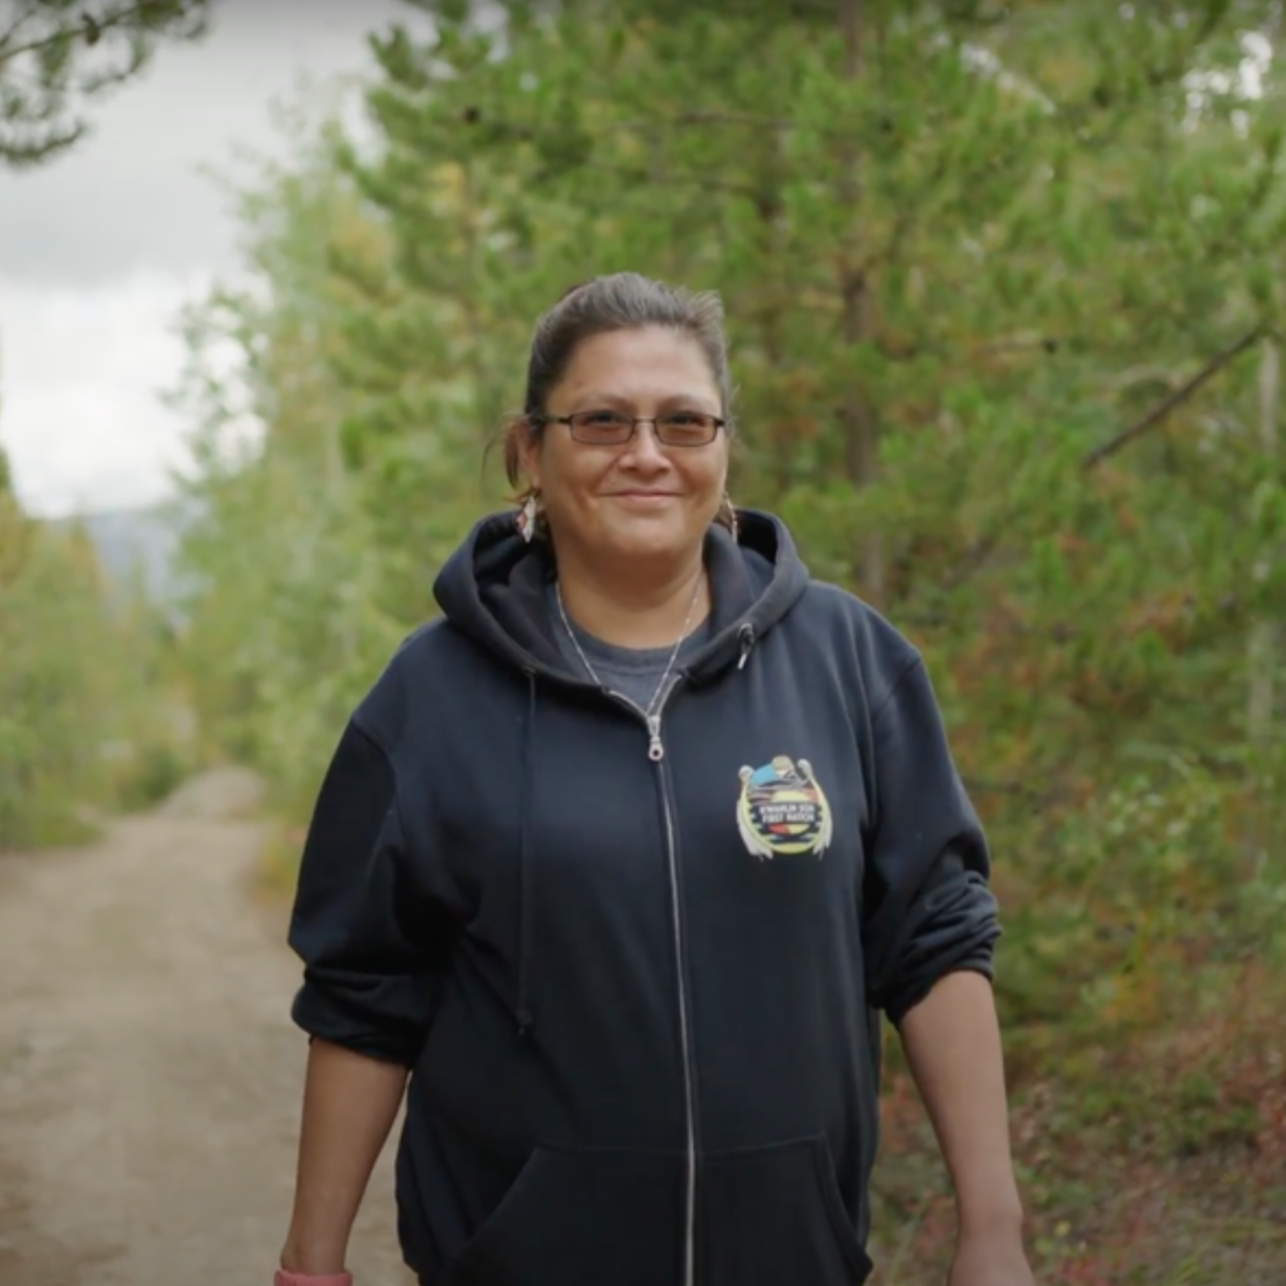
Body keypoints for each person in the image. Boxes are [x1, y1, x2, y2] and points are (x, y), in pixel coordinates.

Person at [275, 272, 1035, 1286]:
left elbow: (934, 940)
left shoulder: (852, 664)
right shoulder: (428, 697)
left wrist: (992, 1228)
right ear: (527, 454)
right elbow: (365, 993)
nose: (645, 453)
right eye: (600, 421)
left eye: (683, 421)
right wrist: (309, 1259)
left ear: (723, 452)